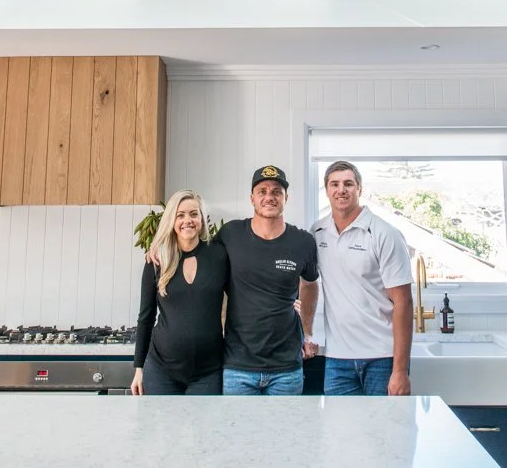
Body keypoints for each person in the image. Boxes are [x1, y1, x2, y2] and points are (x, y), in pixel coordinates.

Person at [311, 160, 414, 396]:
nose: (341, 190)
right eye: (334, 184)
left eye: (348, 184)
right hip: (337, 359)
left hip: (382, 358)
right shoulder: (316, 232)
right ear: (326, 190)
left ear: (360, 189)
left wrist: (400, 371)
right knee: (340, 432)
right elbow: (307, 283)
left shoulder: (384, 233)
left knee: (385, 431)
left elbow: (404, 303)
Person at [217, 165, 320, 395]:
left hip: (286, 368)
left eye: (276, 191)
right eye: (262, 191)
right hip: (238, 366)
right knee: (236, 432)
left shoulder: (303, 241)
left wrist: (308, 331)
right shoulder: (230, 234)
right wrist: (160, 247)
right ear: (252, 198)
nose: (269, 197)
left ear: (286, 198)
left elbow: (311, 284)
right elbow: (199, 261)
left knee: (283, 432)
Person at [132, 189, 229, 395]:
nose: (188, 220)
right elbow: (146, 317)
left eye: (194, 214)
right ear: (171, 220)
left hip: (208, 371)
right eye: (180, 215)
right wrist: (139, 368)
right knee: (164, 428)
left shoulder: (219, 255)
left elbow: (243, 295)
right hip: (161, 370)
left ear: (202, 219)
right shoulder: (157, 261)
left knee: (207, 428)